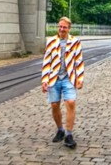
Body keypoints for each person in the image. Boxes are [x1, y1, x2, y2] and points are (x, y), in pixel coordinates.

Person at [41, 16, 84, 150]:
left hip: (68, 78)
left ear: (69, 28)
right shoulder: (51, 42)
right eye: (60, 27)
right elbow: (46, 61)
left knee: (70, 102)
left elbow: (79, 61)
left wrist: (80, 78)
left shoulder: (75, 42)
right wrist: (44, 80)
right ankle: (60, 129)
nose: (62, 29)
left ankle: (69, 134)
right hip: (54, 77)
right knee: (54, 105)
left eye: (64, 27)